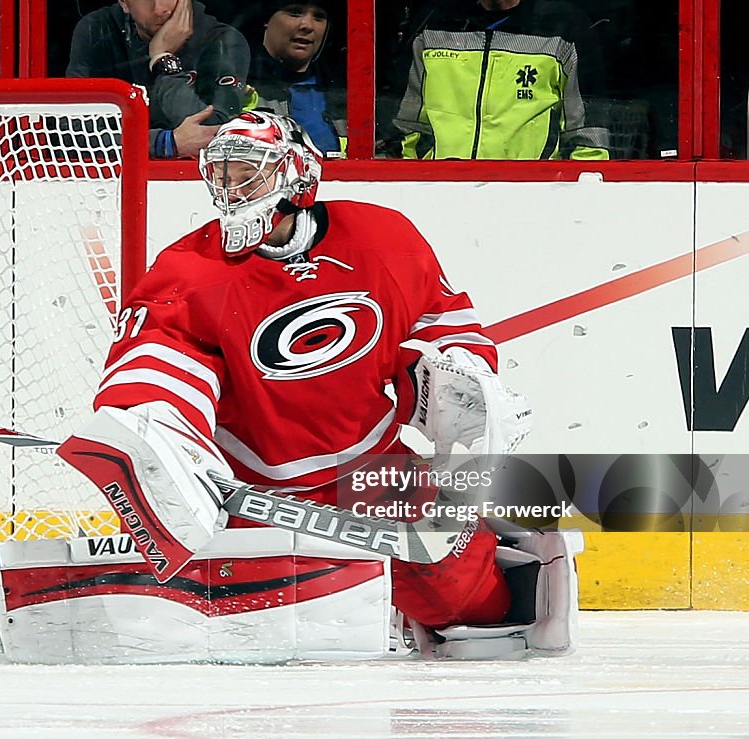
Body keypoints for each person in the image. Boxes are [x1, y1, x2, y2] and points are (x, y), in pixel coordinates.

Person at [54, 112, 580, 662]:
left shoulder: (383, 237)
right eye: (222, 173)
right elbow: (158, 365)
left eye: (247, 174)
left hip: (374, 471)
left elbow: (437, 318)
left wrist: (461, 376)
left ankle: (511, 551)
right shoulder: (187, 271)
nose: (230, 189)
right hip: (252, 488)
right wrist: (161, 436)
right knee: (239, 640)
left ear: (297, 177)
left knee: (462, 600)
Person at [390, 0, 609, 160]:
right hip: (437, 190)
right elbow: (404, 127)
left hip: (533, 194)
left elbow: (587, 137)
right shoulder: (432, 25)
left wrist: (578, 199)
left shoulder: (563, 27)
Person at [66, 0, 250, 159]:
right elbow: (73, 132)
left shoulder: (222, 40)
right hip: (114, 180)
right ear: (124, 3)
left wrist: (163, 59)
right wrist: (164, 143)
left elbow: (218, 133)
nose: (160, 9)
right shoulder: (98, 29)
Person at [242, 1, 345, 157]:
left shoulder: (345, 90)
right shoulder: (231, 82)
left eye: (319, 17)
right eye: (295, 13)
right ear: (266, 20)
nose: (308, 25)